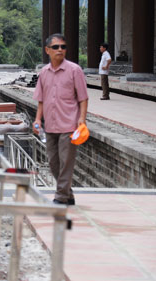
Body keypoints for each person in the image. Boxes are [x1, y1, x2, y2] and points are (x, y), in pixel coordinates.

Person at [33, 33, 88, 206]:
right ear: (47, 50)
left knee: (66, 163)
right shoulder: (43, 72)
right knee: (53, 162)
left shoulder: (74, 70)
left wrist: (82, 119)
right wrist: (37, 119)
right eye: (56, 47)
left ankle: (60, 197)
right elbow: (41, 99)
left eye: (63, 47)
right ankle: (68, 195)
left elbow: (83, 98)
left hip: (69, 124)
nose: (60, 50)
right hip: (50, 124)